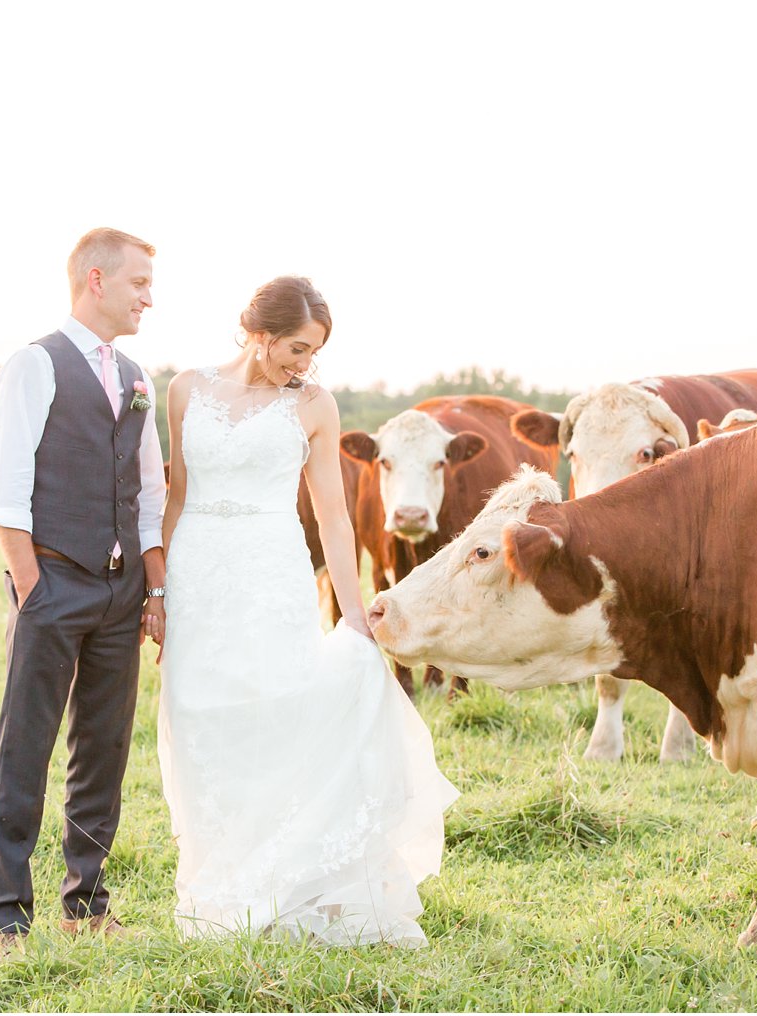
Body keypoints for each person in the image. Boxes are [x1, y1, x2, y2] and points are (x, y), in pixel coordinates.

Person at [157, 276, 458, 946]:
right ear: (258, 331)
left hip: (272, 573)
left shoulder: (316, 405)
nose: (305, 363)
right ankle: (221, 876)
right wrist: (158, 589)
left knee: (276, 715)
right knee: (201, 723)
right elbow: (175, 495)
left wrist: (352, 612)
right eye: (297, 347)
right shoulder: (184, 389)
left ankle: (288, 880)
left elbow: (332, 514)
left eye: (314, 352)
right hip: (197, 574)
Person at [0, 227, 168, 958]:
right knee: (23, 748)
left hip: (123, 596)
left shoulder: (138, 375)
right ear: (96, 280)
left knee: (104, 748)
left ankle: (86, 903)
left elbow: (149, 494)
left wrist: (155, 593)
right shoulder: (36, 364)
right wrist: (33, 588)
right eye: (139, 283)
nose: (149, 297)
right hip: (53, 582)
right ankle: (7, 919)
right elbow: (5, 491)